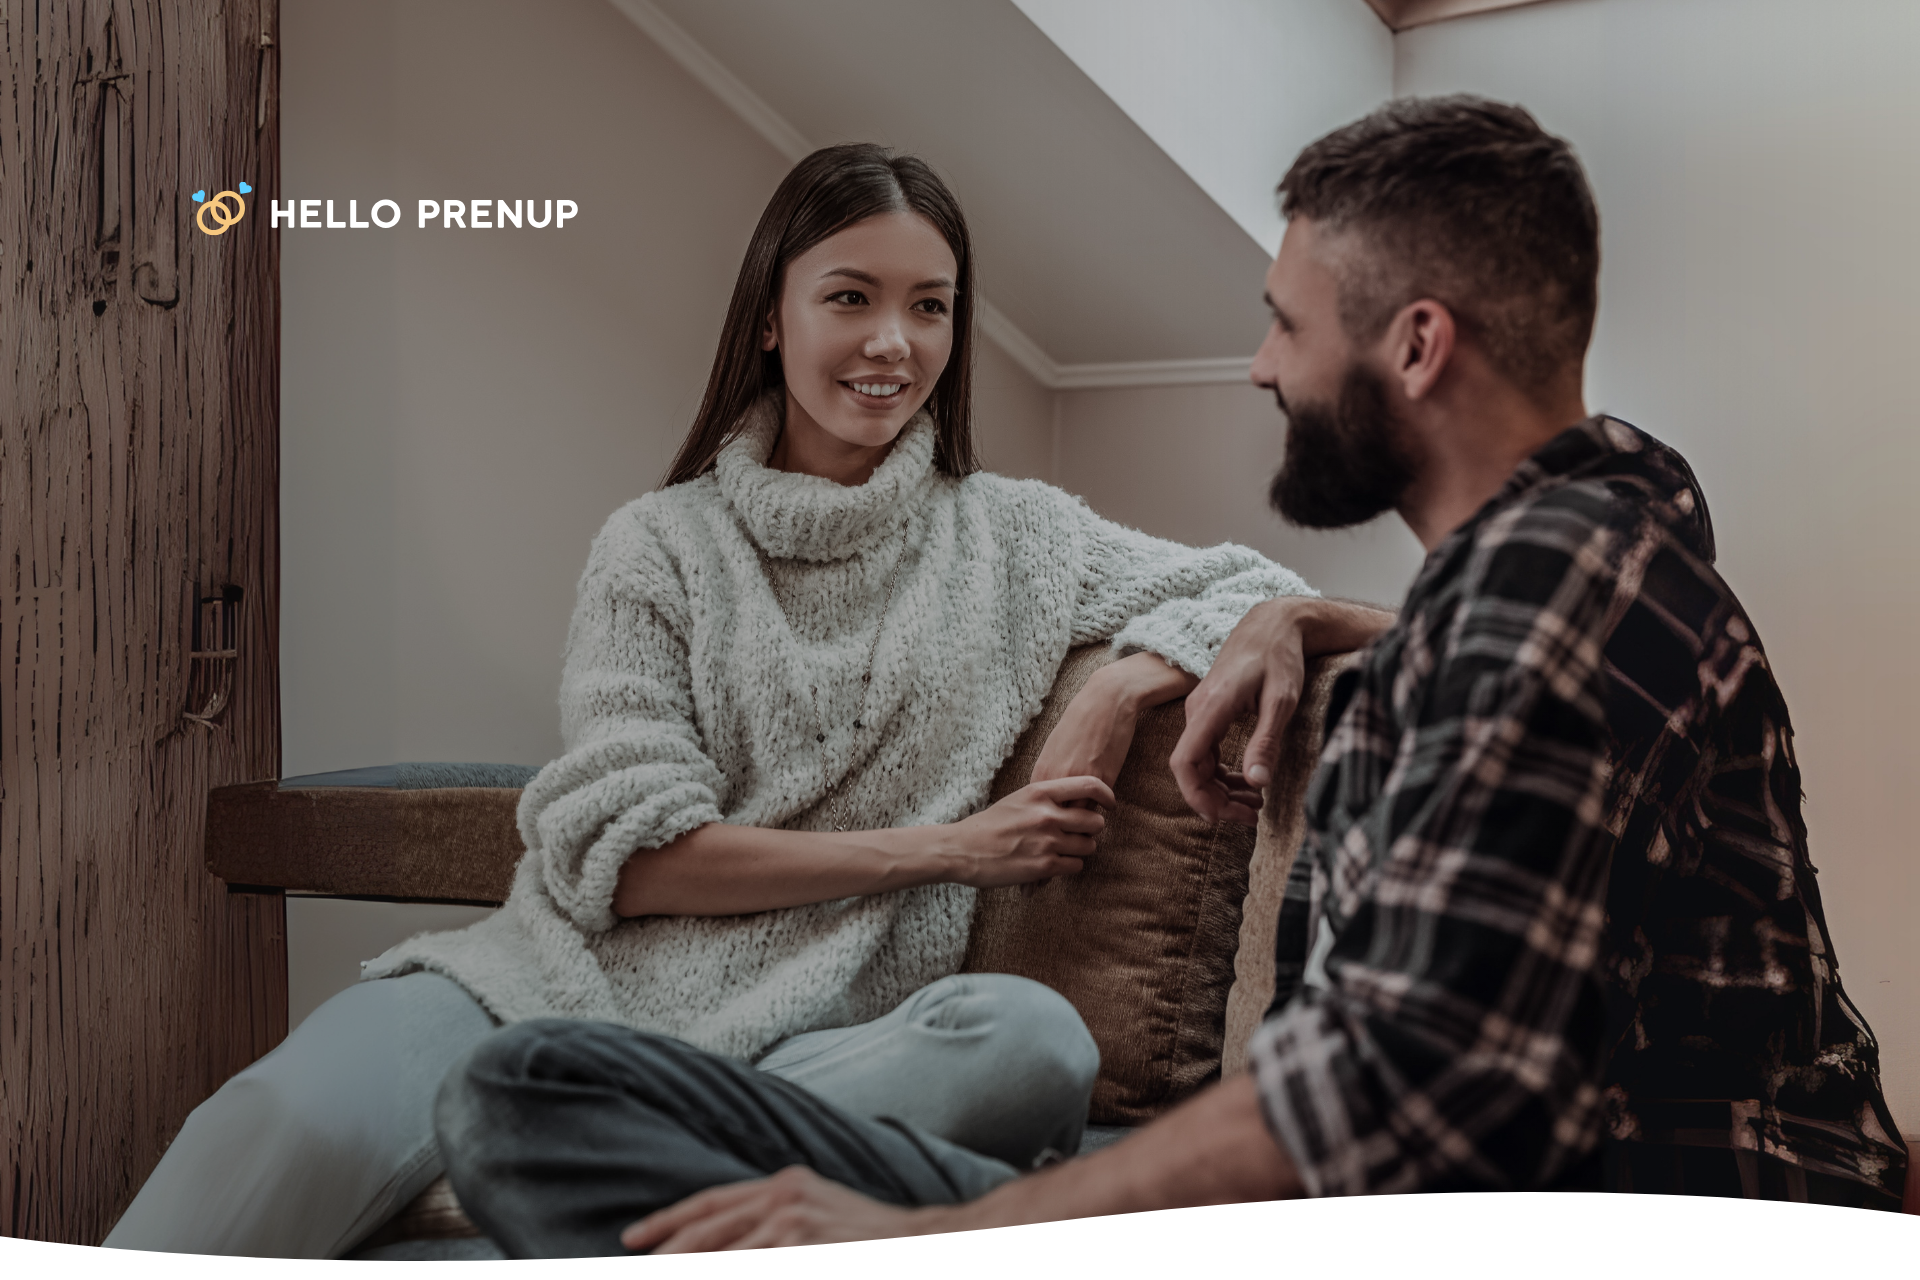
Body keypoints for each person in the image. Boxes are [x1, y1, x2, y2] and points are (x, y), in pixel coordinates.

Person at [429, 97, 1908, 1257]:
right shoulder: (1558, 574)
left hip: (1554, 1226)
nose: (1259, 367)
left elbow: (1391, 1084)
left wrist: (943, 1233)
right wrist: (1289, 625)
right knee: (529, 1096)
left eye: (1283, 320)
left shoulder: (1560, 580)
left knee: (576, 1128)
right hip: (1301, 1210)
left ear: (1415, 343)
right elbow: (1533, 684)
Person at [102, 143, 1342, 1259]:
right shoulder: (659, 546)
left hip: (819, 1046)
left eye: (930, 306)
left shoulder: (1015, 539)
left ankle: (546, 1173)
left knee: (1033, 1047)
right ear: (770, 318)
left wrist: (1122, 684)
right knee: (272, 1122)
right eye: (850, 296)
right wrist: (950, 850)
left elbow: (1255, 585)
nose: (893, 344)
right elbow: (627, 861)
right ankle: (558, 1172)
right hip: (542, 992)